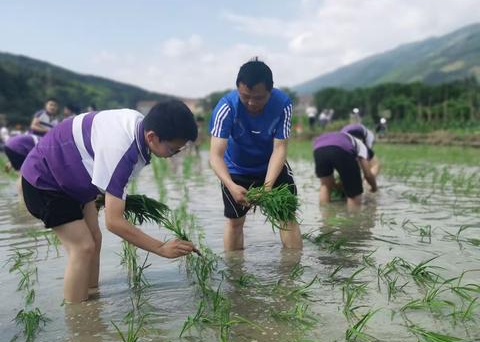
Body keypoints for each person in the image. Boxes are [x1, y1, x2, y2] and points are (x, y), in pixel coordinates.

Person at [21, 100, 199, 303]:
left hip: (73, 176)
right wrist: (161, 248)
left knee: (94, 239)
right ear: (152, 137)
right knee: (83, 247)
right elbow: (114, 222)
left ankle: (92, 297)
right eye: (173, 150)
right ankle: (78, 320)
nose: (173, 155)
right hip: (45, 180)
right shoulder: (121, 148)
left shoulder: (139, 126)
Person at [209, 58, 302, 251]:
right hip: (236, 170)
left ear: (270, 91)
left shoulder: (283, 104)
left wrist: (267, 187)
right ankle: (235, 273)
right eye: (245, 96)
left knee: (287, 216)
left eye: (259, 98)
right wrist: (232, 186)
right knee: (235, 222)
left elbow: (280, 148)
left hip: (271, 166)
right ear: (238, 89)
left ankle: (293, 273)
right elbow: (215, 156)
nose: (251, 103)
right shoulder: (226, 107)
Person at [313, 131, 377, 211]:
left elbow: (332, 183)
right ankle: (353, 220)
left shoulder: (344, 137)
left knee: (325, 185)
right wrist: (374, 188)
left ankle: (325, 218)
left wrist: (341, 185)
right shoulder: (362, 146)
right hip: (341, 148)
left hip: (318, 148)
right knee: (354, 193)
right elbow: (367, 174)